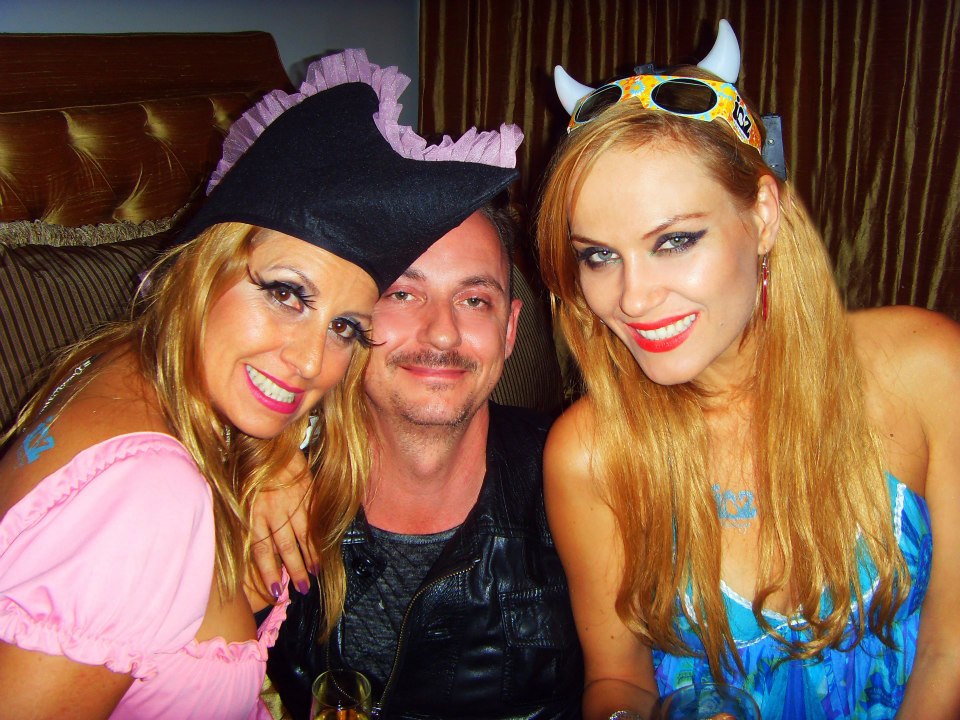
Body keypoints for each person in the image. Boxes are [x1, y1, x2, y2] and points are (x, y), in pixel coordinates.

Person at [0, 49, 517, 719]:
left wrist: (273, 453)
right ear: (203, 266)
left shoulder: (124, 365)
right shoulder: (148, 496)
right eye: (285, 293)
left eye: (345, 327)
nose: (309, 362)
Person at [536, 20, 960, 720]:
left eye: (674, 240)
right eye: (599, 255)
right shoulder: (590, 453)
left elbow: (950, 653)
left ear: (763, 214)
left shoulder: (927, 370)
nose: (632, 299)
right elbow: (619, 679)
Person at [257, 196, 584, 719]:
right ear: (349, 317)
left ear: (509, 330)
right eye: (403, 294)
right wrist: (255, 459)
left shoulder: (585, 481)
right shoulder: (264, 496)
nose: (443, 332)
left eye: (474, 300)